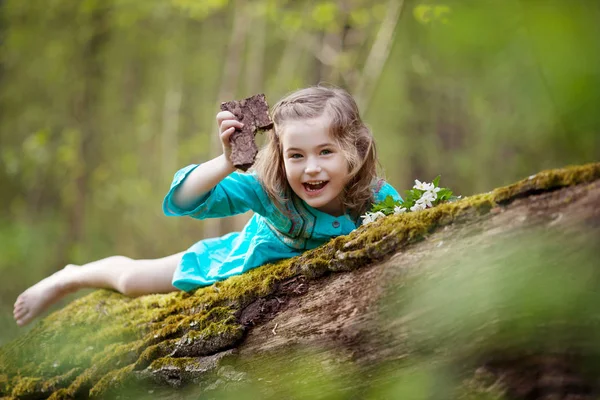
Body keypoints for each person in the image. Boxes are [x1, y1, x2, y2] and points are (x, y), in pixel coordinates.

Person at [13, 86, 401, 327]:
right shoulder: (268, 190)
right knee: (133, 280)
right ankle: (69, 275)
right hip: (231, 261)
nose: (311, 168)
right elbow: (186, 201)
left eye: (326, 152)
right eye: (296, 155)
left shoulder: (380, 200)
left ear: (356, 150)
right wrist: (226, 162)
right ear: (280, 158)